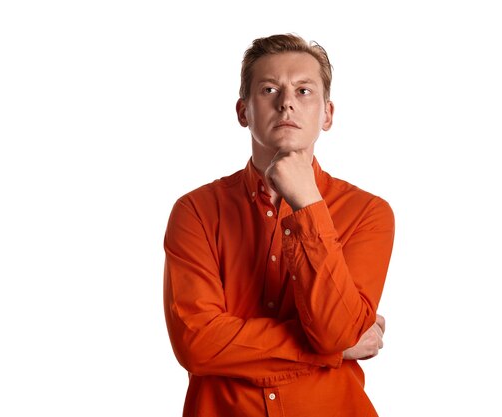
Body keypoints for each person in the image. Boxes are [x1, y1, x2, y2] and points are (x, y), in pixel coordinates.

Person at [163, 33, 395, 417]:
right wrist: (329, 351)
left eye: (304, 90)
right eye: (269, 89)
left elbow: (336, 331)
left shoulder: (369, 212)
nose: (286, 100)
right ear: (243, 111)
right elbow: (197, 344)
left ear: (327, 114)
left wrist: (308, 205)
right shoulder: (196, 211)